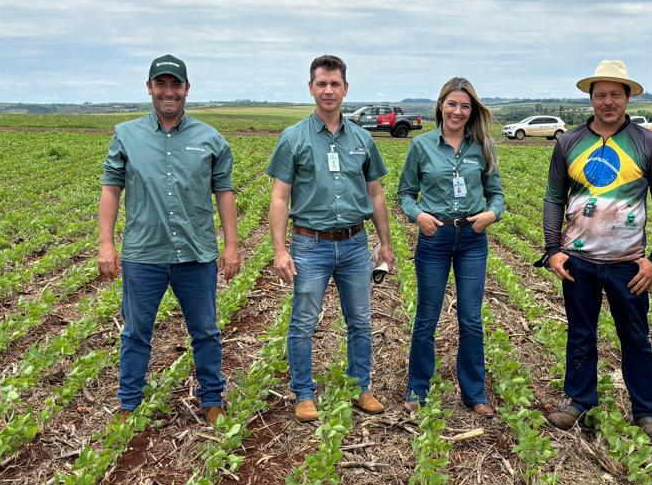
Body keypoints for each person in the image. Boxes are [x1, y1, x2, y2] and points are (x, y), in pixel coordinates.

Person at [541, 60, 652, 441]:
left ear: (627, 98)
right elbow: (554, 198)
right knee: (581, 333)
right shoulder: (569, 142)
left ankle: (647, 411)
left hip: (628, 265)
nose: (607, 102)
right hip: (579, 260)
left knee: (635, 336)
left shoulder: (649, 143)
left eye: (615, 95)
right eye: (600, 94)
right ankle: (579, 400)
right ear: (591, 98)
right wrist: (553, 249)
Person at [99, 54, 241, 425]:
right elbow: (111, 189)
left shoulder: (210, 139)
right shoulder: (126, 135)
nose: (168, 92)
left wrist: (231, 245)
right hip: (143, 254)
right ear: (149, 88)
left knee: (206, 331)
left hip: (196, 254)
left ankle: (211, 399)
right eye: (160, 84)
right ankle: (129, 404)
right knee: (135, 332)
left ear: (186, 90)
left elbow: (224, 191)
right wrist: (106, 243)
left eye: (175, 85)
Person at [267, 54, 396, 422]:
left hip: (355, 244)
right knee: (303, 322)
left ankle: (361, 388)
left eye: (334, 84)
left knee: (360, 321)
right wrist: (280, 249)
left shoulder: (361, 139)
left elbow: (375, 194)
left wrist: (384, 243)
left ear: (345, 89)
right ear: (311, 88)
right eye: (321, 84)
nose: (328, 90)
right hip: (310, 244)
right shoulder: (293, 138)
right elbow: (279, 197)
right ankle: (303, 393)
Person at [398, 77, 505, 417]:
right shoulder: (422, 146)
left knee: (471, 318)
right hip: (435, 237)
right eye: (452, 104)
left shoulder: (483, 146)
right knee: (427, 317)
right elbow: (404, 193)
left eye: (465, 106)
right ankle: (418, 389)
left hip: (473, 238)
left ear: (472, 111)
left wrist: (492, 214)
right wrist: (419, 217)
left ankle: (474, 393)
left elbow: (497, 193)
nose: (457, 111)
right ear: (441, 106)